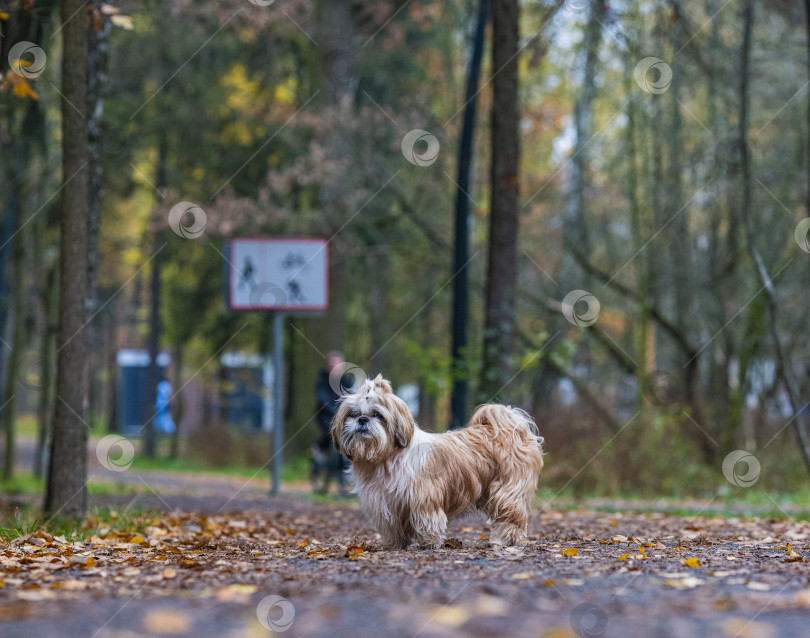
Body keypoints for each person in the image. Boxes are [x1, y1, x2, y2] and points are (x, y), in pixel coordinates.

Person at [311, 351, 350, 496]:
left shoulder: (346, 380)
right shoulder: (322, 380)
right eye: (333, 363)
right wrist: (333, 407)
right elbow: (322, 398)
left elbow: (351, 394)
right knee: (331, 432)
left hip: (341, 415)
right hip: (326, 415)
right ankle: (319, 448)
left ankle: (345, 466)